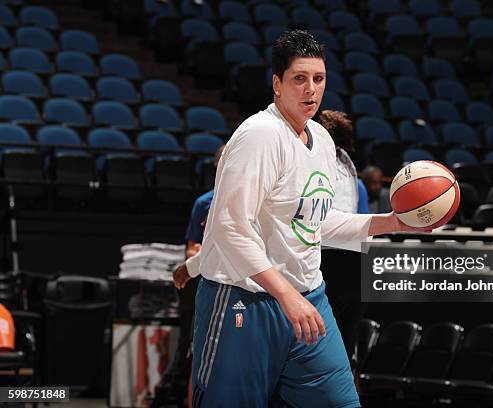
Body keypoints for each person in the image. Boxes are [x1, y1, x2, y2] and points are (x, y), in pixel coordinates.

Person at [173, 30, 426, 408]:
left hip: (309, 299)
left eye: (318, 79)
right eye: (299, 78)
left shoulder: (322, 140)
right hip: (245, 299)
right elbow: (229, 227)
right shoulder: (259, 135)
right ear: (277, 84)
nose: (311, 89)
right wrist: (283, 294)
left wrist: (390, 222)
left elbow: (316, 223)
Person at [154, 145, 224, 408]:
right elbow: (196, 246)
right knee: (195, 344)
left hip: (329, 275)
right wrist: (192, 265)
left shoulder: (354, 186)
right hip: (209, 280)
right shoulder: (206, 202)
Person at [317, 109, 368, 371]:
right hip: (355, 257)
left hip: (329, 255)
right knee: (346, 348)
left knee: (317, 345)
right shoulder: (347, 160)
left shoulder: (318, 156)